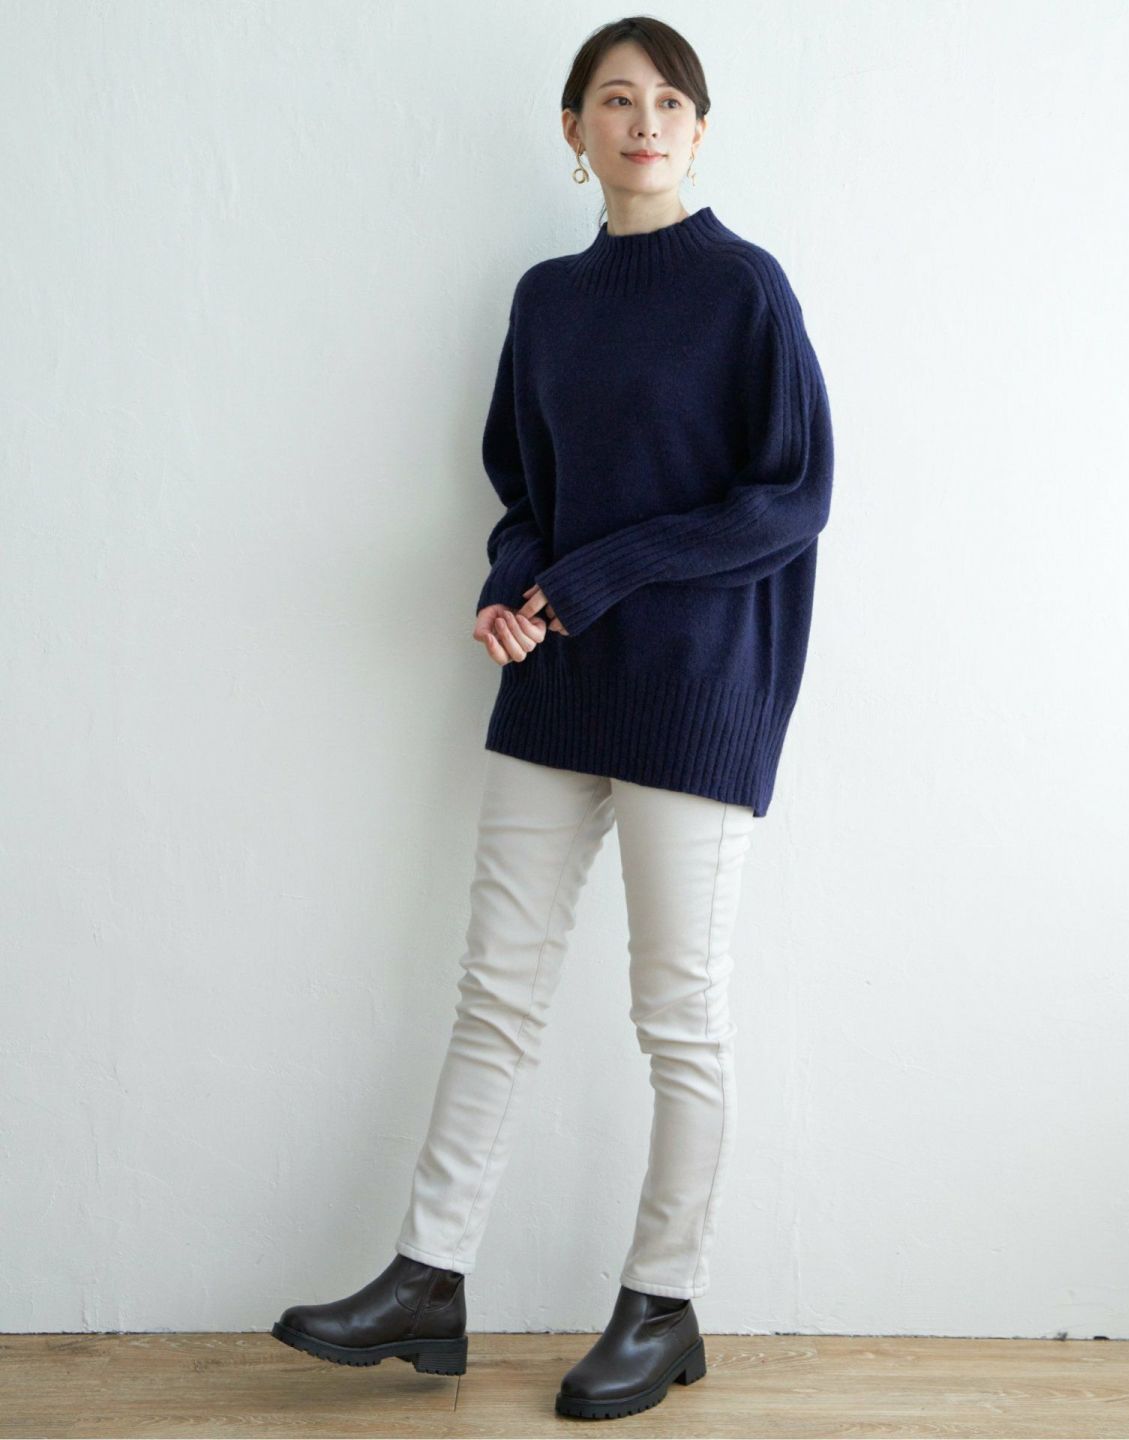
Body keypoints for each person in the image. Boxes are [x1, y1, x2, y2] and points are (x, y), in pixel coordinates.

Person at [272, 15, 835, 1422]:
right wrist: (510, 586)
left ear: (699, 130)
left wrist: (593, 576)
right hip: (558, 682)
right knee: (497, 993)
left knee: (678, 1017)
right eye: (614, 101)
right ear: (574, 132)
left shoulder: (746, 291)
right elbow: (523, 489)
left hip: (695, 688)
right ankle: (428, 1280)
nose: (642, 123)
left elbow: (790, 499)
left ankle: (663, 1300)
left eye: (667, 101)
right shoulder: (548, 299)